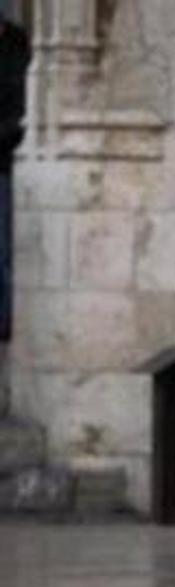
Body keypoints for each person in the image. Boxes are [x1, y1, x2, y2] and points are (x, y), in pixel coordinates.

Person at [0, 11, 31, 342]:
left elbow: (20, 116)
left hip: (4, 162)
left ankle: (5, 320)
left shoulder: (16, 47)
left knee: (4, 253)